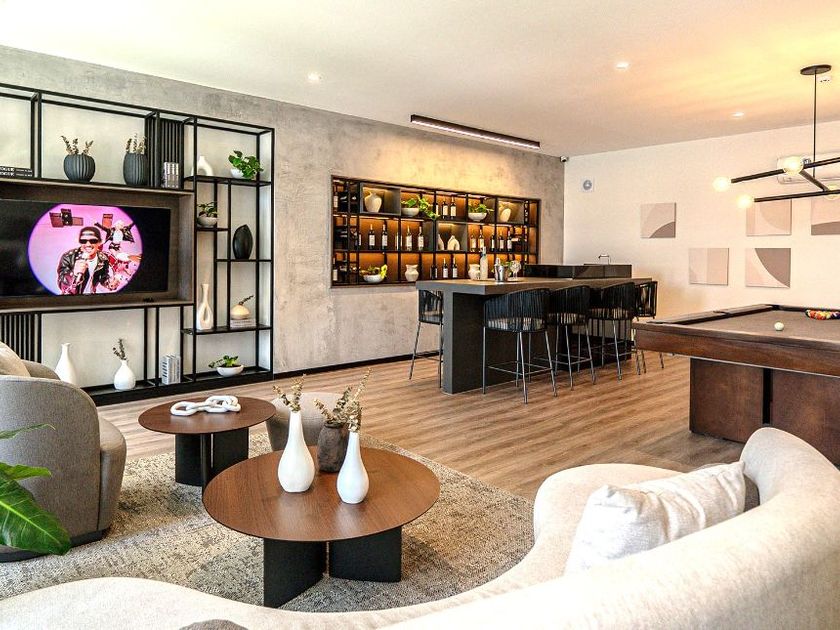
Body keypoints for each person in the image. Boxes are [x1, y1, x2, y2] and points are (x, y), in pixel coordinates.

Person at [56, 226, 112, 294]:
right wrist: (73, 274)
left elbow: (103, 276)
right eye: (83, 241)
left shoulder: (103, 258)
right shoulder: (68, 257)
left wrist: (109, 283)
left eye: (93, 241)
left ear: (100, 242)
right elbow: (61, 284)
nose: (88, 244)